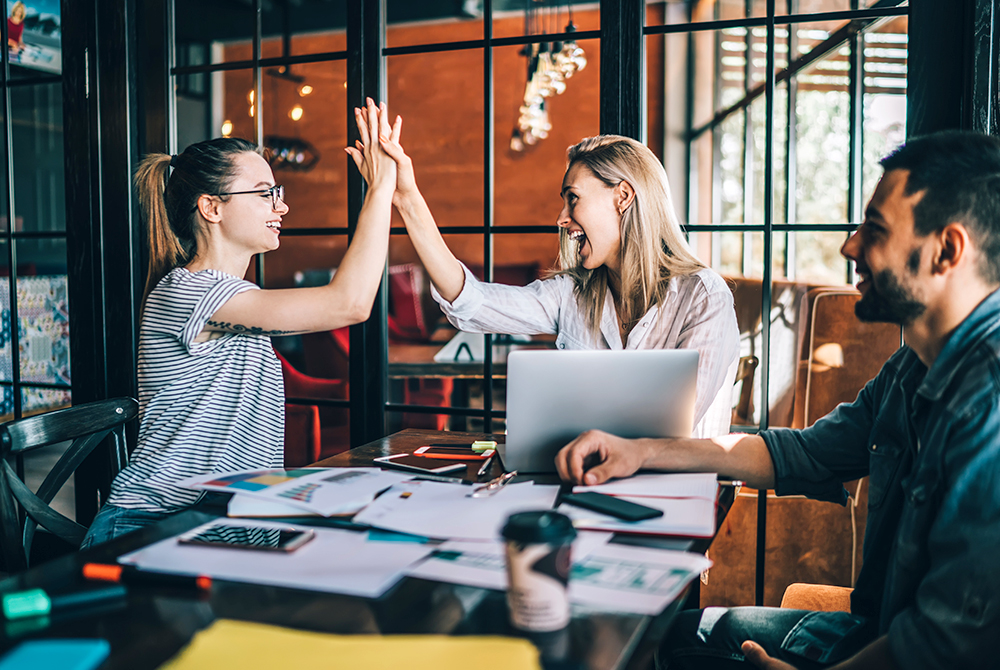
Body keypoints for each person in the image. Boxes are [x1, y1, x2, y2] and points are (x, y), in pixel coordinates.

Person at [554, 130, 1000, 669]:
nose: (849, 246)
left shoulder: (988, 402)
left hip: (892, 652)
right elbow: (803, 453)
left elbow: (950, 642)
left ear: (947, 250)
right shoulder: (911, 368)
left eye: (874, 230)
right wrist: (640, 450)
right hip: (870, 631)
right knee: (661, 638)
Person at [81, 99, 399, 548]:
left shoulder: (233, 298)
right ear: (212, 207)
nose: (281, 207)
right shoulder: (192, 293)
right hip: (157, 527)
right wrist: (381, 188)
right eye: (265, 192)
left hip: (226, 523)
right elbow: (348, 304)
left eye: (278, 192)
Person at [356, 122, 740, 438]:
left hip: (677, 501)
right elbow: (472, 301)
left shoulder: (704, 297)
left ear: (623, 197)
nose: (562, 217)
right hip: (585, 486)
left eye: (573, 198)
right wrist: (406, 198)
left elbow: (674, 430)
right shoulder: (573, 293)